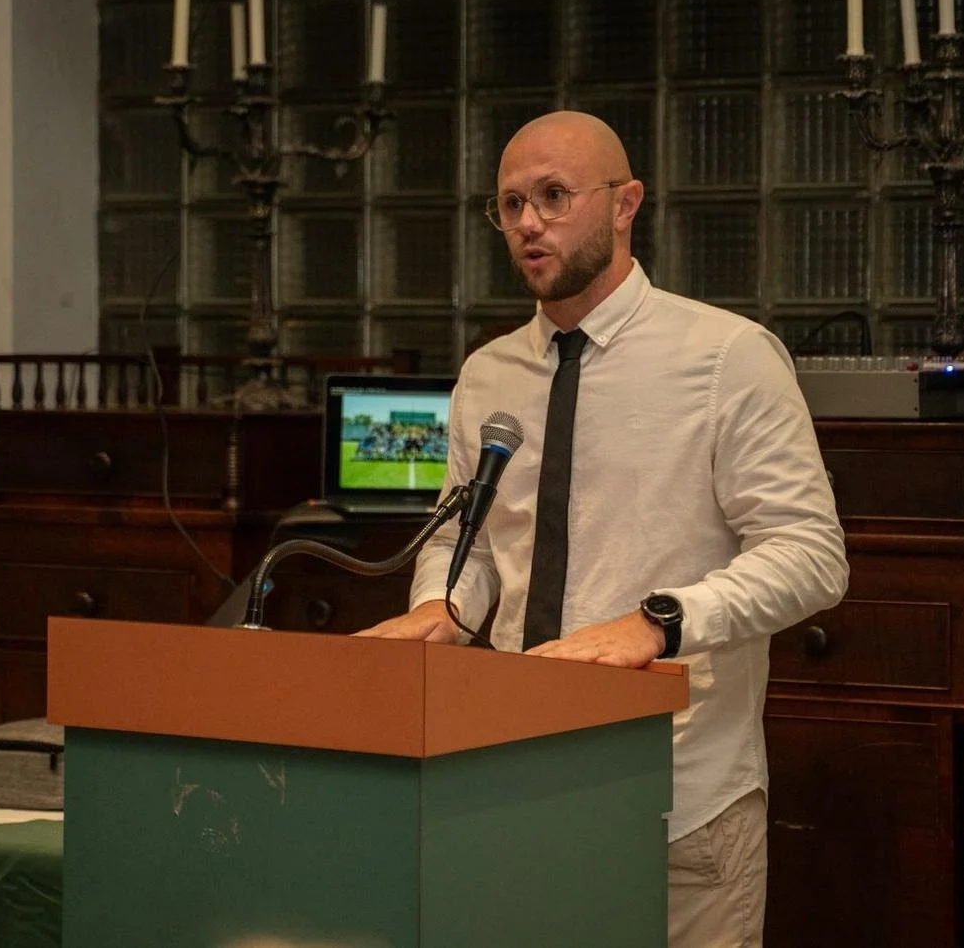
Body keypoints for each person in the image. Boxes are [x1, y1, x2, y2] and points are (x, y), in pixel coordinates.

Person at [355, 111, 848, 947]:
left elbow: (811, 557)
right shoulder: (489, 373)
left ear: (626, 204)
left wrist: (658, 624)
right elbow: (464, 540)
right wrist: (443, 606)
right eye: (509, 205)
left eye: (553, 196)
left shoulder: (728, 356)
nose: (529, 224)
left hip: (676, 798)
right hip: (507, 777)